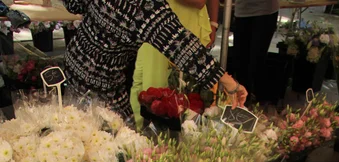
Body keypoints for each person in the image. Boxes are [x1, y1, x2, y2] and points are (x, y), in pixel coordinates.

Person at [62, 0, 245, 121]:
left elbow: (74, 4)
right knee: (111, 143)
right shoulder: (143, 6)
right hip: (98, 79)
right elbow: (180, 44)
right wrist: (229, 82)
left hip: (81, 59)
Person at [131, 0, 219, 128]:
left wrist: (213, 23)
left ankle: (168, 139)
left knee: (177, 93)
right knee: (145, 85)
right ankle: (144, 139)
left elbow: (199, 1)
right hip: (154, 20)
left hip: (183, 21)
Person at [233, 0, 279, 106]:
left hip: (265, 12)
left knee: (256, 60)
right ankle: (242, 104)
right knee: (240, 62)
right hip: (242, 12)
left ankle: (257, 102)